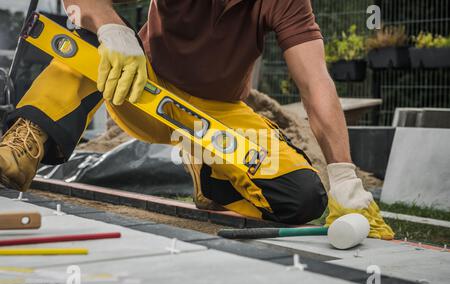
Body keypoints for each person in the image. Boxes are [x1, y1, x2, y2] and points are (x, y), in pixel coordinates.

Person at [0, 0, 393, 239]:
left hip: (215, 120)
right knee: (89, 38)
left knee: (303, 197)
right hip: (139, 85)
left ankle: (211, 176)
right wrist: (112, 27)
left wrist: (344, 177)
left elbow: (315, 83)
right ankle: (27, 137)